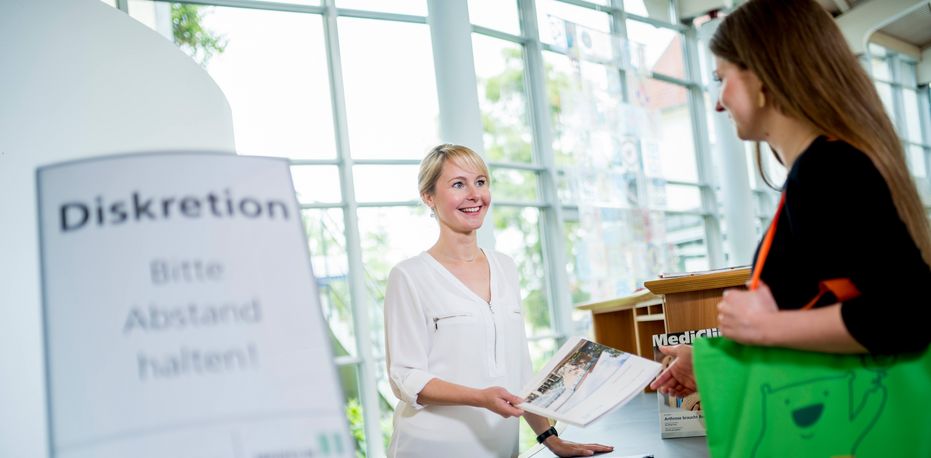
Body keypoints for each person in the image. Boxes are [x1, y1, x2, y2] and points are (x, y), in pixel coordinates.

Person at [651, 0, 931, 398]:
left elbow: (907, 313)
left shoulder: (828, 171)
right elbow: (822, 318)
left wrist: (760, 328)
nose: (718, 102)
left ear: (761, 76)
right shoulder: (824, 169)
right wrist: (712, 359)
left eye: (721, 78)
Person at [384, 144, 613, 457]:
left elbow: (519, 370)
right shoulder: (409, 276)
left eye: (480, 182)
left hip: (501, 449)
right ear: (428, 197)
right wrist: (480, 397)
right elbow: (405, 379)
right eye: (457, 184)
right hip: (432, 448)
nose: (474, 194)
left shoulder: (505, 267)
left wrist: (549, 436)